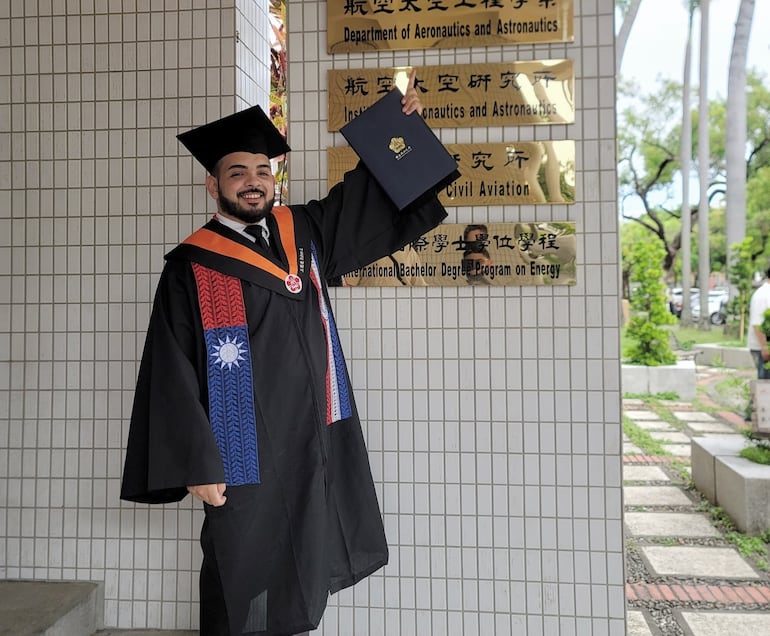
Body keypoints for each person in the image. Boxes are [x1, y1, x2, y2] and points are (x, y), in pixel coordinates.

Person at [120, 71, 447, 636]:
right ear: (213, 185)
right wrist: (197, 462)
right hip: (240, 447)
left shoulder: (305, 232)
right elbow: (170, 371)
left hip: (313, 433)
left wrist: (403, 130)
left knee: (306, 553)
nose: (253, 182)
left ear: (274, 180)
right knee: (240, 560)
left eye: (262, 171)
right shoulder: (192, 266)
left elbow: (370, 198)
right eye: (237, 172)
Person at [748, 266, 770, 379]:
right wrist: (765, 347)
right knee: (765, 387)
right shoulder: (763, 295)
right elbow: (757, 324)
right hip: (763, 349)